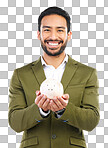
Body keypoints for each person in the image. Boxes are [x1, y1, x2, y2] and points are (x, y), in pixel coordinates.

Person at [8, 6, 100, 148]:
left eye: (60, 30)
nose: (53, 36)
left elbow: (91, 121)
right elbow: (15, 122)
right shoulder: (21, 75)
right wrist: (40, 110)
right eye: (47, 30)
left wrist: (64, 110)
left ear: (68, 34)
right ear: (39, 34)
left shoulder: (87, 73)